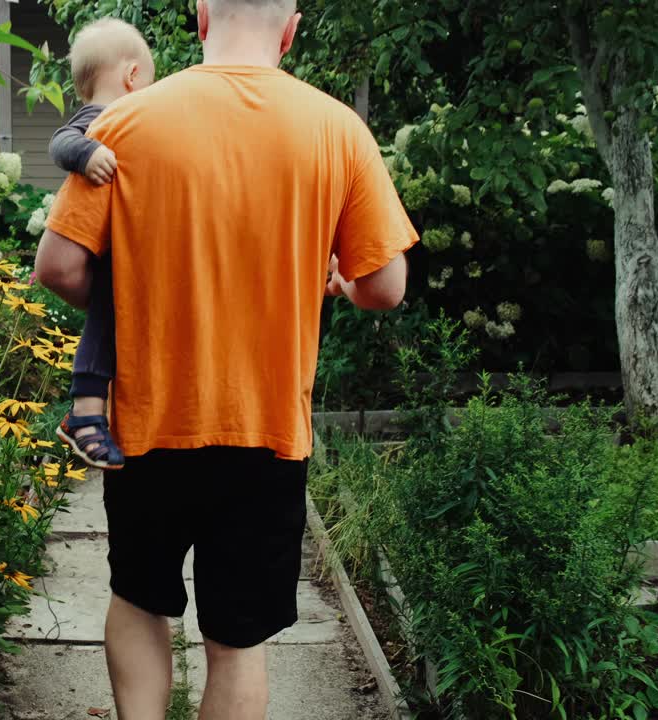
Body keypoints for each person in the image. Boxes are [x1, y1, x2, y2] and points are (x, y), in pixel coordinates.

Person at [33, 0, 418, 718]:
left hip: (148, 425)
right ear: (292, 28)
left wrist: (128, 302)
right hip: (267, 430)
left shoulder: (127, 122)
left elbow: (56, 267)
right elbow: (385, 285)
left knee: (139, 599)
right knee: (238, 642)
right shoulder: (338, 129)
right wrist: (338, 281)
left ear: (201, 16)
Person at [46, 18, 155, 471]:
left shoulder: (116, 119)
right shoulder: (104, 119)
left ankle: (92, 411)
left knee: (111, 321)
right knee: (107, 313)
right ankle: (85, 412)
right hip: (105, 256)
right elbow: (60, 142)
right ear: (132, 78)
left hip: (117, 251)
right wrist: (87, 153)